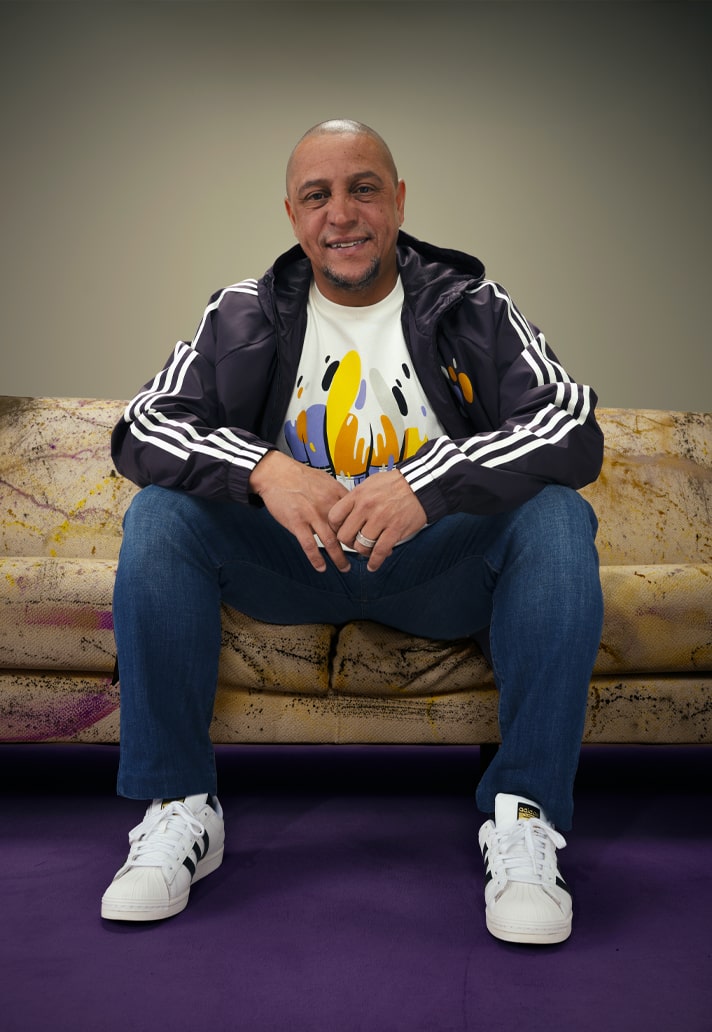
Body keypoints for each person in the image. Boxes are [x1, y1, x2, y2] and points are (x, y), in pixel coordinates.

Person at [101, 119, 604, 945]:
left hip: (433, 569)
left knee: (556, 516)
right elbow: (143, 425)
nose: (341, 213)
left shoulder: (472, 306)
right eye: (317, 195)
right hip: (289, 565)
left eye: (363, 189)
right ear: (292, 215)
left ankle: (524, 817)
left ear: (398, 200)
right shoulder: (242, 312)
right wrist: (264, 468)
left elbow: (571, 425)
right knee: (161, 514)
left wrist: (431, 482)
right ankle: (180, 807)